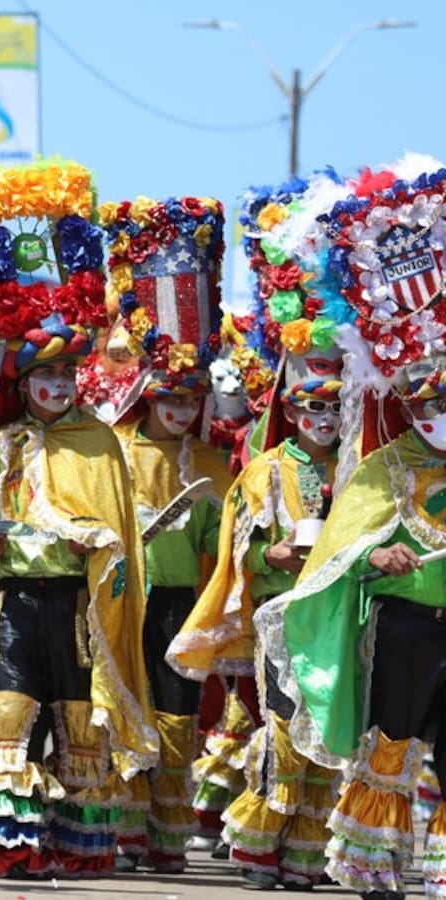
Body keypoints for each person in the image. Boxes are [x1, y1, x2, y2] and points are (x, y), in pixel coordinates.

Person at [0, 158, 157, 879]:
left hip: (75, 611)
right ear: (24, 384)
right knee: (3, 725)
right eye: (44, 377)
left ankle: (79, 846)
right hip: (12, 605)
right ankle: (6, 848)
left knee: (80, 735)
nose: (58, 387)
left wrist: (94, 541)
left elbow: (118, 536)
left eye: (67, 375)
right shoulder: (4, 442)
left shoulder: (99, 441)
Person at [257, 158, 446, 900]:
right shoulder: (384, 463)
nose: (437, 408)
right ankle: (375, 869)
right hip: (403, 626)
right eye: (423, 392)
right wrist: (380, 553)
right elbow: (342, 548)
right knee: (393, 746)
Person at [170, 175, 350, 889]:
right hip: (282, 615)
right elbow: (240, 541)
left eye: (334, 406)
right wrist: (267, 550)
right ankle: (255, 847)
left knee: (329, 738)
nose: (323, 419)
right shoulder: (265, 467)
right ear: (290, 405)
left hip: (340, 618)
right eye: (310, 406)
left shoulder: (365, 467)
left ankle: (307, 855)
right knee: (279, 733)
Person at [102, 194, 235, 873]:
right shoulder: (114, 448)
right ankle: (126, 828)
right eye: (171, 397)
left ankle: (167, 832)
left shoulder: (213, 463)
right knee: (132, 708)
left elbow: (225, 545)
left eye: (192, 399)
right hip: (127, 599)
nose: (182, 410)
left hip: (184, 603)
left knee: (181, 715)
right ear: (149, 394)